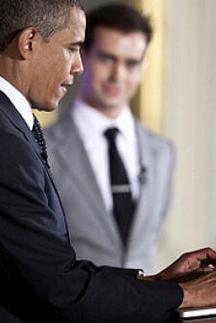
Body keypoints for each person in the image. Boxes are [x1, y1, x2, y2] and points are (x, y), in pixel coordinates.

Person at [0, 0, 216, 322]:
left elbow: (43, 267)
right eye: (72, 48)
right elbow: (60, 288)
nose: (78, 67)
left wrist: (156, 282)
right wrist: (189, 294)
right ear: (28, 42)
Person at [45, 3, 172, 273]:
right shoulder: (42, 148)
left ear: (144, 65)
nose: (118, 75)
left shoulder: (163, 152)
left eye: (131, 63)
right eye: (107, 59)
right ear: (82, 57)